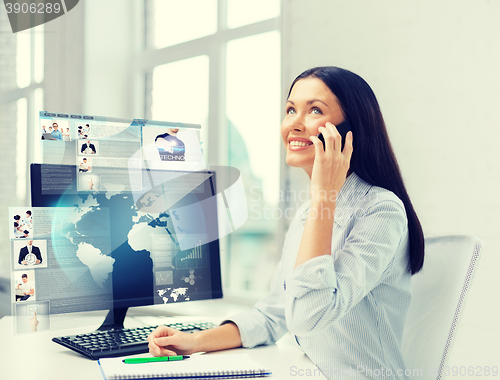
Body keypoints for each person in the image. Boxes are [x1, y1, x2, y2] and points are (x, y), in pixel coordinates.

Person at [147, 67, 425, 379]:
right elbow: (274, 313)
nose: (294, 123)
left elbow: (309, 317)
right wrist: (195, 341)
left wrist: (323, 197)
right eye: (290, 109)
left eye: (315, 110)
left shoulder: (381, 210)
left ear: (349, 131)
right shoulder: (308, 215)